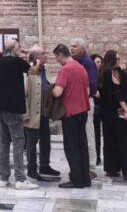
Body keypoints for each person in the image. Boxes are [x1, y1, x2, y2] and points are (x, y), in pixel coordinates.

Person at [0, 39, 38, 190]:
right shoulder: (17, 62)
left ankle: (3, 178)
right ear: (15, 49)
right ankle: (20, 179)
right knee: (18, 141)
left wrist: (0, 93)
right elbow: (33, 72)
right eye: (19, 47)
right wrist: (35, 61)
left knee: (3, 141)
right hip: (13, 108)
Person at [51, 43, 91, 189]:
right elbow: (87, 90)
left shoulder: (65, 70)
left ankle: (76, 180)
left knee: (71, 147)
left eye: (56, 58)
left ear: (61, 55)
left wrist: (52, 88)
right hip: (83, 111)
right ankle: (85, 178)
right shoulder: (81, 67)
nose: (57, 60)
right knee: (82, 146)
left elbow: (58, 92)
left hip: (71, 112)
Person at [97, 51, 127, 180]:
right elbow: (117, 93)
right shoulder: (112, 73)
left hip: (106, 112)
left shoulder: (103, 72)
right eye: (117, 59)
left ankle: (112, 168)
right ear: (111, 60)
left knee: (109, 140)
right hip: (116, 112)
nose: (119, 61)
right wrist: (126, 109)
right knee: (124, 140)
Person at [23, 45, 60, 181]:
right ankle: (31, 168)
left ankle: (45, 165)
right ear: (36, 57)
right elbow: (25, 93)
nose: (46, 55)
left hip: (44, 111)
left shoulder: (46, 70)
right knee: (32, 142)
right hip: (33, 112)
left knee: (46, 140)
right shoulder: (29, 71)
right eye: (43, 53)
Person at [69, 38, 98, 171]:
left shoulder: (88, 63)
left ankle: (91, 166)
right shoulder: (74, 61)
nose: (72, 49)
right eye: (71, 46)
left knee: (88, 133)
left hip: (85, 102)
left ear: (82, 48)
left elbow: (92, 86)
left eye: (74, 46)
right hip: (75, 103)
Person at [91, 53, 103, 166]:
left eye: (100, 62)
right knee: (95, 133)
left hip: (102, 106)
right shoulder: (91, 75)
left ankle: (99, 155)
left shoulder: (103, 74)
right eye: (97, 62)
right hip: (94, 107)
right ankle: (96, 156)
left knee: (99, 133)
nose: (99, 64)